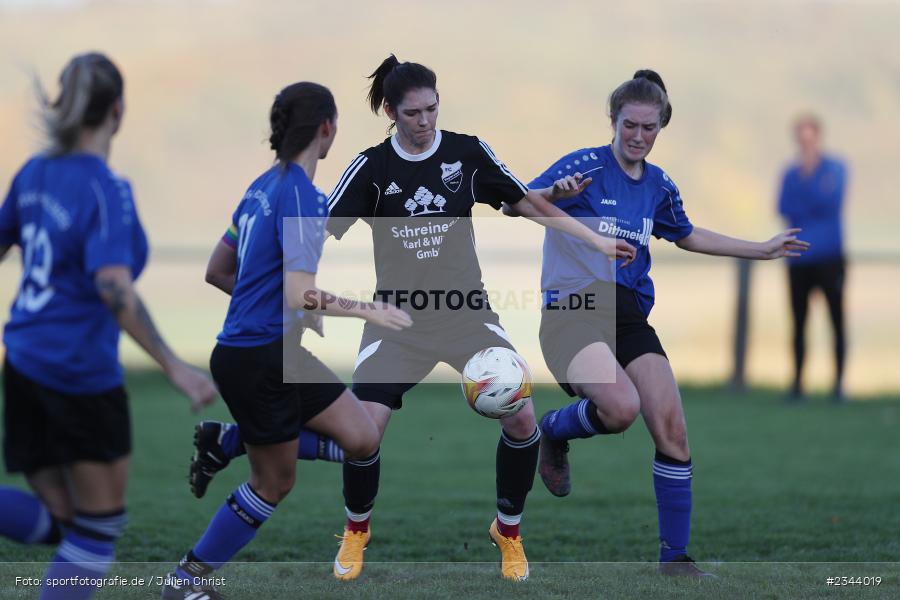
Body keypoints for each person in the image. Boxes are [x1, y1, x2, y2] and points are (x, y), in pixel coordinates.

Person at [191, 54, 635, 582]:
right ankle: (357, 529)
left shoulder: (468, 153)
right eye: (412, 113)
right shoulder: (370, 167)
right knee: (365, 433)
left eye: (432, 109)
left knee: (521, 417)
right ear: (389, 112)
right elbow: (315, 229)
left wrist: (593, 238)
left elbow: (522, 203)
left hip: (467, 316)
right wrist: (307, 299)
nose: (424, 121)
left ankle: (509, 532)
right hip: (395, 322)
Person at [514, 69, 809, 577]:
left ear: (660, 127)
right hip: (572, 309)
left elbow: (686, 234)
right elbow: (514, 201)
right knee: (621, 407)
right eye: (629, 125)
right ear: (613, 120)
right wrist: (552, 193)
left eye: (649, 128)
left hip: (627, 312)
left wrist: (760, 249)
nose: (638, 136)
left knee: (672, 428)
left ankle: (675, 559)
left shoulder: (658, 185)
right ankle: (553, 431)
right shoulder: (586, 165)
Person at [161, 81, 410, 600]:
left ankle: (230, 440)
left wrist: (286, 307)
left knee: (363, 438)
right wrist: (370, 310)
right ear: (327, 128)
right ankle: (184, 583)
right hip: (263, 359)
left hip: (254, 353)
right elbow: (302, 292)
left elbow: (217, 270)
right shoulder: (305, 197)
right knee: (273, 482)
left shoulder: (260, 188)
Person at [0, 53, 218, 600]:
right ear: (118, 110)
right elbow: (113, 287)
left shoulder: (33, 173)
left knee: (63, 521)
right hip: (76, 373)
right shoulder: (106, 188)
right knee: (97, 532)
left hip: (23, 364)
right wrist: (175, 367)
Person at [777, 114, 848, 401]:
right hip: (798, 259)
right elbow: (784, 206)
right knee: (798, 322)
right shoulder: (790, 174)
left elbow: (831, 203)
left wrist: (807, 201)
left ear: (818, 137)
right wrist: (813, 201)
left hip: (830, 257)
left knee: (836, 320)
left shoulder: (837, 168)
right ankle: (797, 383)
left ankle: (838, 384)